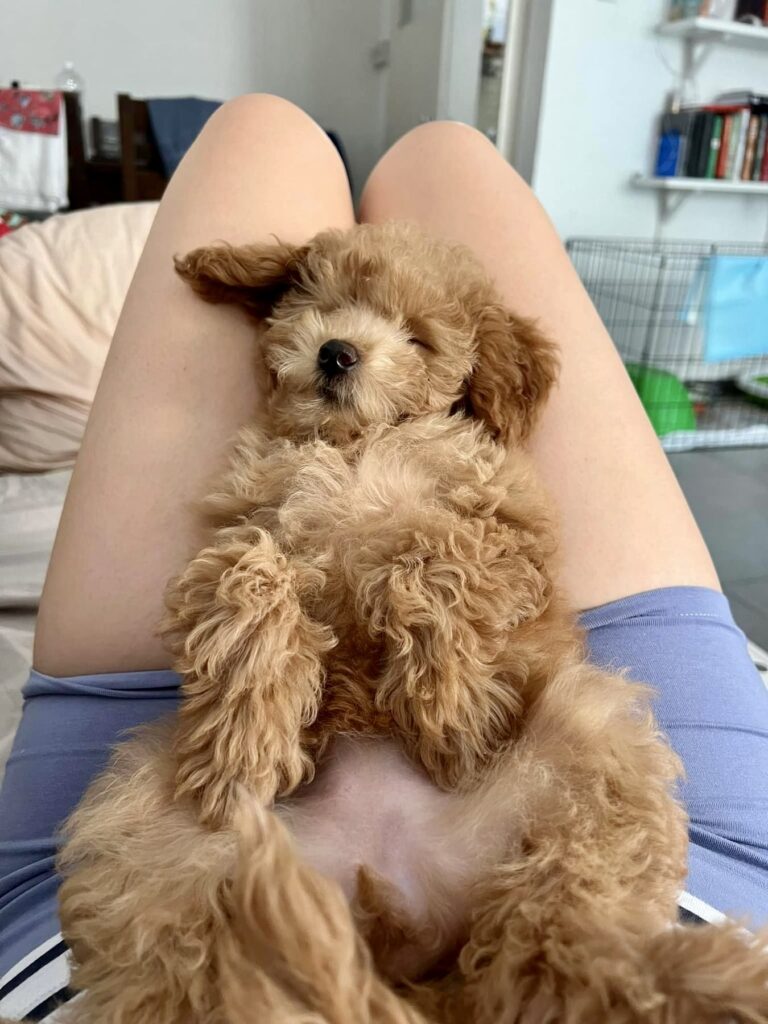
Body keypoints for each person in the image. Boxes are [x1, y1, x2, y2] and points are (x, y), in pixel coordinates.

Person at [1, 96, 766, 1022]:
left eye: (418, 338)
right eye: (328, 306)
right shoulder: (305, 464)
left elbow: (505, 554)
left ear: (473, 375)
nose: (347, 343)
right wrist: (259, 627)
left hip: (440, 810)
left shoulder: (461, 457)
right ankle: (597, 978)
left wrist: (422, 602)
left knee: (263, 132)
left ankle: (574, 964)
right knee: (446, 154)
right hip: (286, 838)